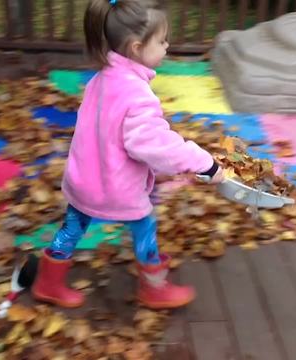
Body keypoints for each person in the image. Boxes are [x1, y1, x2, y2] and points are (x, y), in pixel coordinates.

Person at [30, 0, 223, 310]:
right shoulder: (137, 94)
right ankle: (154, 287)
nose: (167, 46)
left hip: (83, 178)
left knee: (73, 226)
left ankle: (48, 282)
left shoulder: (102, 79)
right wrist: (204, 163)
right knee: (144, 225)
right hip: (114, 185)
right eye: (161, 41)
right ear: (136, 47)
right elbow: (153, 143)